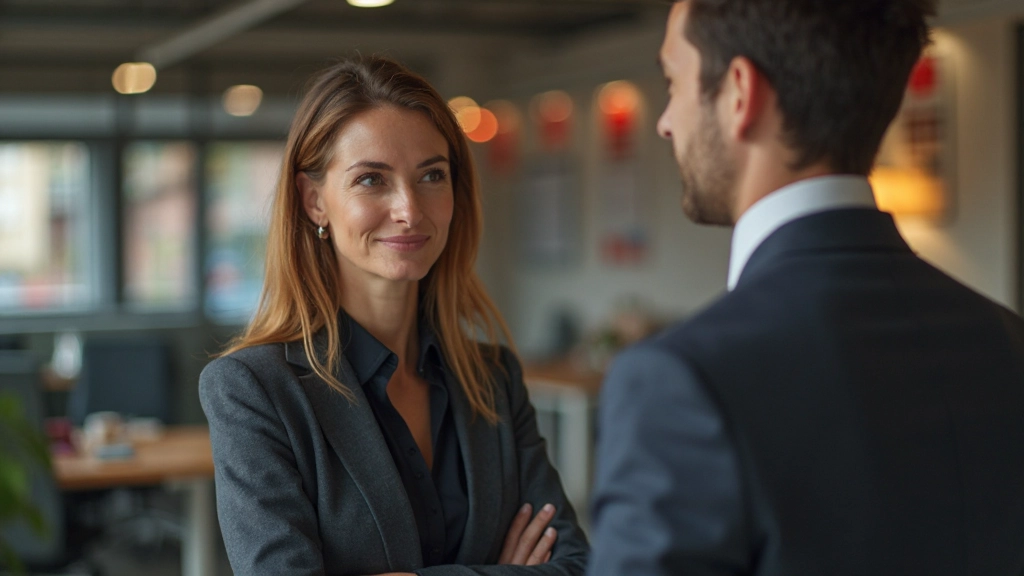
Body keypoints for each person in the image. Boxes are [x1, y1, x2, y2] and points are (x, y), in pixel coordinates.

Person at [587, 1, 1024, 574]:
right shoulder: (1007, 340)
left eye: (673, 82)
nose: (665, 121)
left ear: (739, 93)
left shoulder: (678, 383)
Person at [199, 55, 588, 576]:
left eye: (432, 175)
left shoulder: (492, 377)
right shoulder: (254, 390)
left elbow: (575, 565)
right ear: (314, 201)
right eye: (371, 179)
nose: (409, 209)